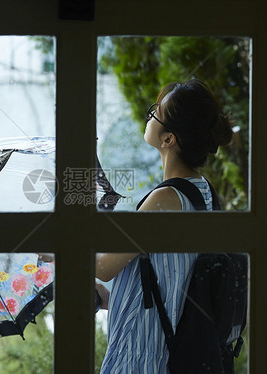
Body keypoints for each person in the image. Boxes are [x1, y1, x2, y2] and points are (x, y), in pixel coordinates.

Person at [96, 79, 234, 373]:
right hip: (165, 351)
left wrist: (57, 250)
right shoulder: (202, 191)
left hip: (141, 358)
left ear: (169, 139)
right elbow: (174, 282)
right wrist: (111, 299)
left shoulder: (166, 198)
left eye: (155, 112)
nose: (149, 116)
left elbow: (104, 266)